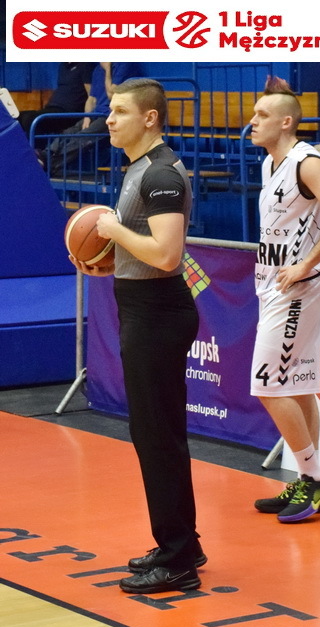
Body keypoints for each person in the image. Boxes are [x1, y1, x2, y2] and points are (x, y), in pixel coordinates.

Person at [70, 78, 205, 594]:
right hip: (143, 308)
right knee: (155, 434)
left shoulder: (162, 174)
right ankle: (183, 543)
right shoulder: (139, 168)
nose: (108, 118)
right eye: (110, 109)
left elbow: (167, 255)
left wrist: (111, 232)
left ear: (150, 118)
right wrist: (107, 259)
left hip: (158, 314)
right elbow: (143, 250)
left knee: (157, 437)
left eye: (120, 111)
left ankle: (178, 559)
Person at [250, 77, 320, 523]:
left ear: (286, 122)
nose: (252, 122)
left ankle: (315, 480)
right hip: (272, 285)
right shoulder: (269, 163)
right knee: (297, 385)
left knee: (266, 385)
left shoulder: (306, 162)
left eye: (262, 115)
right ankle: (306, 477)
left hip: (297, 287)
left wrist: (306, 263)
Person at [43, 62, 141, 174]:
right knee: (69, 132)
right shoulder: (97, 70)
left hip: (113, 116)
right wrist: (87, 116)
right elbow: (91, 99)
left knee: (83, 137)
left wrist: (107, 70)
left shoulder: (124, 65)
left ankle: (49, 164)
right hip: (96, 114)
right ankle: (45, 154)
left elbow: (112, 94)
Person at [18, 62, 96, 136]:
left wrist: (87, 116)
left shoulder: (85, 65)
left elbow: (91, 95)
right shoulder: (63, 66)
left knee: (30, 120)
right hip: (52, 108)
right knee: (19, 117)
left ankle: (38, 146)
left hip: (68, 112)